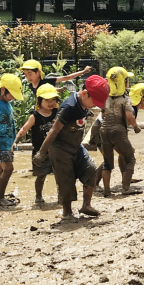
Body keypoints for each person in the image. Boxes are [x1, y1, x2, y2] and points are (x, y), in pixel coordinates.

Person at [34, 75, 109, 219]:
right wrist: (41, 153)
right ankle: (67, 211)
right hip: (60, 148)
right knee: (66, 181)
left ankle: (86, 205)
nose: (95, 105)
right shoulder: (69, 107)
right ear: (85, 93)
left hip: (76, 145)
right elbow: (54, 130)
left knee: (91, 170)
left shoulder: (83, 104)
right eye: (94, 101)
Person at [98, 67, 141, 197]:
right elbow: (129, 115)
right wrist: (136, 126)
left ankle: (106, 190)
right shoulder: (125, 99)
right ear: (124, 82)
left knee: (107, 162)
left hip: (104, 130)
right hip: (118, 130)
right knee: (130, 159)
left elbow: (103, 114)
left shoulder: (105, 98)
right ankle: (126, 188)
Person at [13, 84, 60, 203]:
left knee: (60, 174)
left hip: (57, 150)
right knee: (41, 175)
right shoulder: (35, 116)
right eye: (47, 100)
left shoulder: (58, 113)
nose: (51, 103)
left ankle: (62, 195)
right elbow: (24, 130)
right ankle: (38, 196)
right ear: (40, 100)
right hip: (40, 152)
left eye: (53, 100)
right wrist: (15, 142)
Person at [0, 74, 23, 207]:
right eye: (12, 94)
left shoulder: (6, 103)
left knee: (2, 170)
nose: (13, 97)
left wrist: (13, 142)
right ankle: (1, 198)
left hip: (7, 143)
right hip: (1, 143)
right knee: (8, 168)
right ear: (3, 89)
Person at [20, 59, 93, 95]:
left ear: (38, 72)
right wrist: (57, 89)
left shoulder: (46, 81)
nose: (27, 77)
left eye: (30, 74)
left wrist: (83, 71)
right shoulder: (30, 85)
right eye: (25, 74)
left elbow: (66, 78)